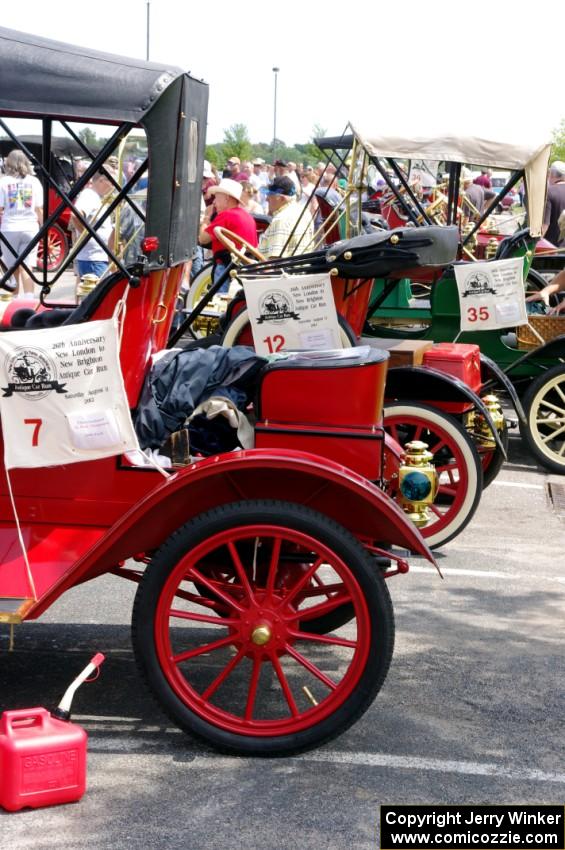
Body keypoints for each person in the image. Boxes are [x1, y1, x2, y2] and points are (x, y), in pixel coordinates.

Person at [198, 178, 258, 290]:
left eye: (216, 197)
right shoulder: (248, 216)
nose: (214, 202)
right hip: (245, 268)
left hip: (227, 267)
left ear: (226, 198)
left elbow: (203, 239)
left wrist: (206, 220)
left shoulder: (226, 216)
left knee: (221, 300)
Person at [0, 149, 43, 296]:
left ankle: (14, 301)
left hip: (9, 228)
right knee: (27, 266)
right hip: (30, 227)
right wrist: (44, 229)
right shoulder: (34, 182)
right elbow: (39, 209)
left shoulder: (3, 182)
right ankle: (29, 300)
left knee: (12, 268)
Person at [71, 162, 118, 280]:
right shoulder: (89, 195)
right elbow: (75, 215)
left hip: (97, 257)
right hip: (93, 259)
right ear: (102, 180)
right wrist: (86, 235)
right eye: (111, 181)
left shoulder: (96, 197)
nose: (113, 186)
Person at [259, 176, 314, 258]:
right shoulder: (305, 212)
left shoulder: (280, 220)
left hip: (284, 269)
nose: (267, 199)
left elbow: (275, 260)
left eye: (270, 195)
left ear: (281, 198)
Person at [542, 161, 565, 247]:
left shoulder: (549, 192)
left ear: (552, 175)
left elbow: (545, 225)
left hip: (552, 248)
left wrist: (534, 245)